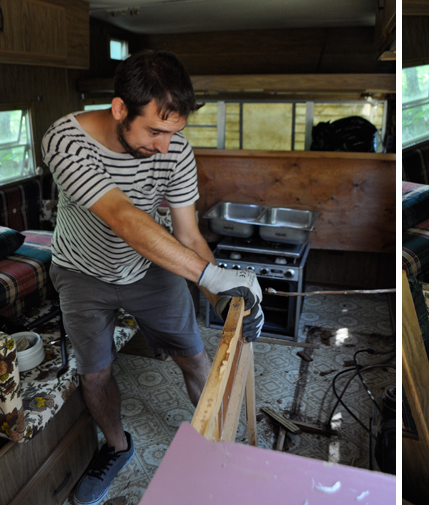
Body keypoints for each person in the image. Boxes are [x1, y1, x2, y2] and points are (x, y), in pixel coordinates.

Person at [42, 50, 264, 505]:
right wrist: (210, 276)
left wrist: (225, 295)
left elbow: (188, 234)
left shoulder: (175, 149)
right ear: (119, 108)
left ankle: (219, 451)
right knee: (94, 375)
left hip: (150, 270)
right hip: (80, 272)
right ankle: (117, 447)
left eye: (174, 132)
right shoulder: (64, 140)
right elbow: (122, 217)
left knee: (196, 360)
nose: (165, 146)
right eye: (156, 131)